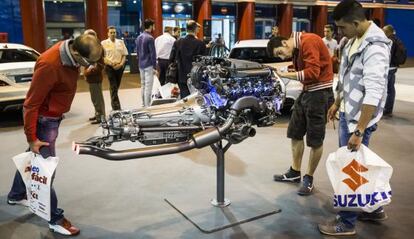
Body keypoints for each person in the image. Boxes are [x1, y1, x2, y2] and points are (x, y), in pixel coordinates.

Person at [7, 34, 102, 236]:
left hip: (54, 117)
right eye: (86, 62)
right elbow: (30, 105)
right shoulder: (49, 65)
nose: (88, 66)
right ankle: (55, 218)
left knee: (34, 157)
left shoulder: (73, 51)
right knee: (46, 170)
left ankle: (16, 194)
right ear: (75, 52)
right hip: (44, 120)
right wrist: (32, 138)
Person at [318, 0, 391, 236]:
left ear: (357, 22)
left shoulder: (376, 47)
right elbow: (347, 76)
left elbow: (374, 91)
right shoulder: (352, 41)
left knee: (350, 169)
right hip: (348, 113)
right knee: (360, 164)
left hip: (359, 121)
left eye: (342, 28)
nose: (340, 32)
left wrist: (359, 130)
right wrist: (337, 103)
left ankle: (346, 222)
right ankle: (373, 209)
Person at [267, 32, 334, 196]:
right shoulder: (297, 48)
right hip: (306, 92)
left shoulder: (308, 41)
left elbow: (313, 73)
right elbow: (305, 70)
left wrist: (285, 74)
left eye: (280, 53)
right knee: (295, 133)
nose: (282, 57)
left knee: (315, 140)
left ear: (284, 42)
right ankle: (295, 172)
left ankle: (308, 178)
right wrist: (282, 70)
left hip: (319, 93)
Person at [169, 20, 207, 98]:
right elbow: (204, 62)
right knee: (195, 99)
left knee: (184, 98)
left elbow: (171, 59)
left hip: (181, 75)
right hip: (195, 76)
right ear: (196, 29)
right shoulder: (200, 44)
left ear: (186, 29)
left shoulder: (178, 42)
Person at [101, 26, 128, 111]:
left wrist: (121, 64)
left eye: (114, 32)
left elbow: (124, 55)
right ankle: (116, 108)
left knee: (115, 87)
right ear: (108, 34)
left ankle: (114, 104)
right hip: (109, 67)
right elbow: (102, 57)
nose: (113, 34)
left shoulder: (121, 42)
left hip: (120, 67)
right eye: (111, 32)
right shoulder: (103, 43)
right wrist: (111, 63)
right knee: (113, 86)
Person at [83, 29, 106, 124]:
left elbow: (100, 65)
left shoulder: (97, 48)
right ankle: (98, 114)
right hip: (92, 77)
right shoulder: (92, 47)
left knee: (97, 98)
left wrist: (89, 71)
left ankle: (100, 117)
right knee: (95, 98)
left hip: (95, 77)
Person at [383, 24, 405, 118]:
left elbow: (387, 56)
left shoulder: (389, 41)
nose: (382, 32)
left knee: (385, 90)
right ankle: (388, 110)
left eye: (384, 31)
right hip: (393, 68)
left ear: (388, 32)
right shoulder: (397, 40)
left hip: (388, 68)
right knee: (391, 89)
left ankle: (386, 110)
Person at [136, 19, 157, 107]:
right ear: (151, 26)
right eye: (154, 25)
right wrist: (155, 67)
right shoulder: (150, 38)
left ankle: (143, 104)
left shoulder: (139, 37)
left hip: (141, 64)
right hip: (148, 64)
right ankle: (147, 105)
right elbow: (153, 54)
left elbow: (137, 52)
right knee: (148, 86)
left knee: (143, 85)